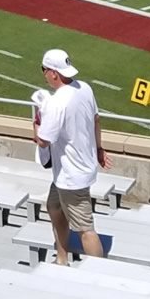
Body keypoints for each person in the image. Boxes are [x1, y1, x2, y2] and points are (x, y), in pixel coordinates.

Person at [35, 47, 107, 265]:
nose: (44, 74)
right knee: (54, 207)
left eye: (44, 70)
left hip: (72, 175)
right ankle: (62, 256)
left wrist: (36, 121)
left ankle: (100, 274)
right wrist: (99, 149)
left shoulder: (57, 102)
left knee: (85, 228)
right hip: (73, 168)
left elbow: (43, 140)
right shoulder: (84, 88)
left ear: (54, 73)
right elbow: (96, 119)